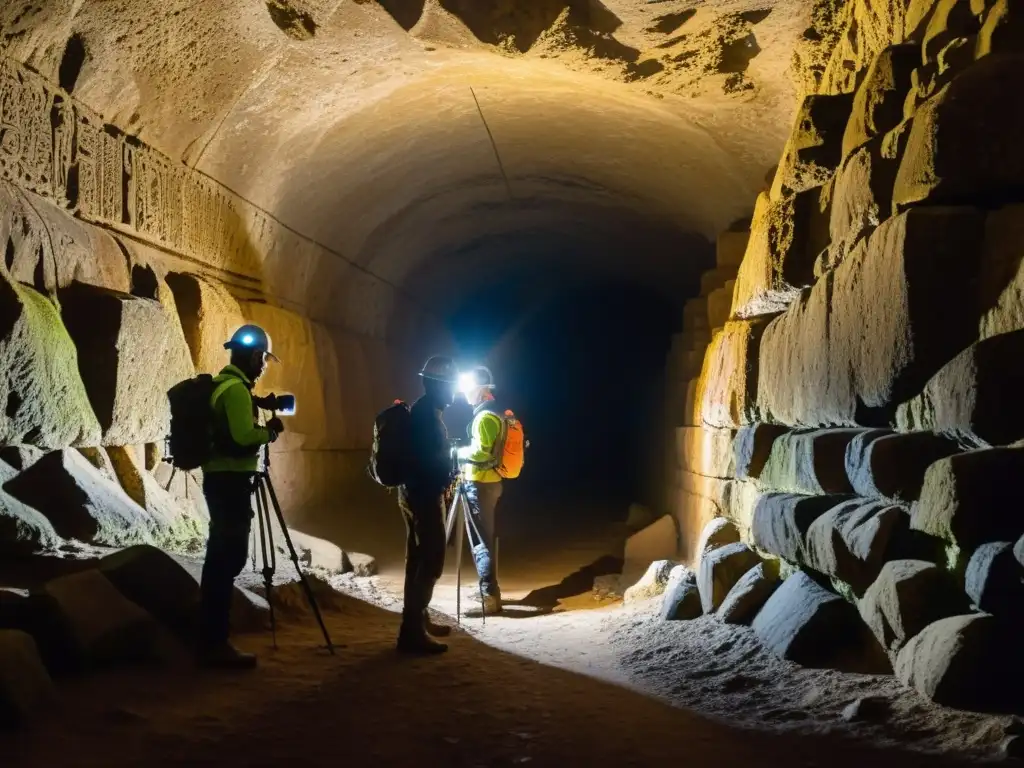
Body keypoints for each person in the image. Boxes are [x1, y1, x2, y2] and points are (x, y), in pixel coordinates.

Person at [197, 324, 284, 670]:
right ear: (251, 356)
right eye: (262, 358)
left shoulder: (227, 386)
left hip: (223, 480)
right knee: (226, 559)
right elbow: (242, 436)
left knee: (221, 557)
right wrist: (270, 432)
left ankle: (211, 637)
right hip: (229, 482)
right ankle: (214, 642)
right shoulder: (234, 391)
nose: (263, 365)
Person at [397, 355, 459, 654]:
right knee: (431, 560)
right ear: (438, 385)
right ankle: (412, 633)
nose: (454, 393)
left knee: (417, 559)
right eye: (451, 386)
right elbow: (428, 462)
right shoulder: (426, 417)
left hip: (413, 493)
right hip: (424, 496)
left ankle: (418, 620)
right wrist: (447, 474)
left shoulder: (425, 411)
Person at [457, 365, 505, 615]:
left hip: (481, 483)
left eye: (468, 388)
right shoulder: (492, 412)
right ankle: (490, 591)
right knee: (483, 536)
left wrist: (456, 453)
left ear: (481, 389)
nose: (465, 393)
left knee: (480, 540)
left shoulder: (485, 417)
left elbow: (480, 451)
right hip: (488, 483)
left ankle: (488, 596)